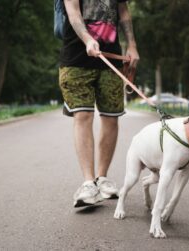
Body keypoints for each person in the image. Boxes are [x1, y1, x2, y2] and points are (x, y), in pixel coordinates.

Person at [59, 0, 139, 207]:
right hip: (76, 60)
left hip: (112, 60)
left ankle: (102, 178)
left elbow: (123, 11)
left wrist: (132, 45)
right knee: (83, 115)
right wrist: (87, 39)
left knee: (111, 118)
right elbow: (74, 13)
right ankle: (88, 183)